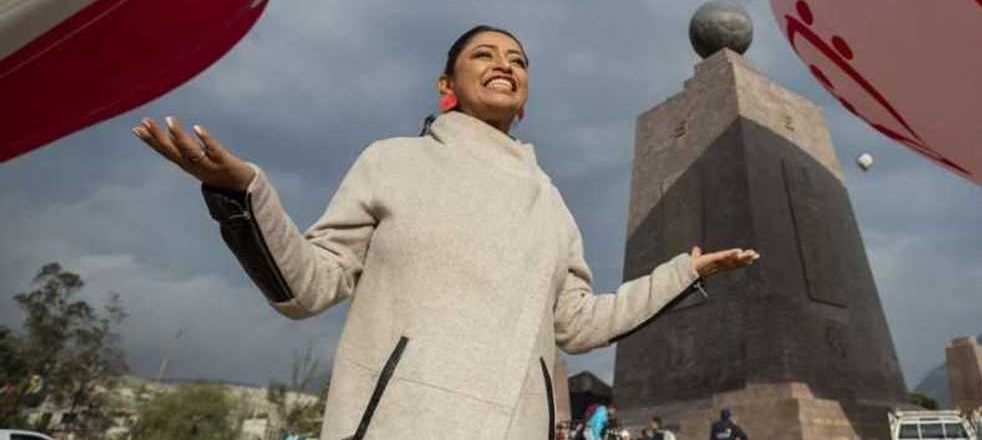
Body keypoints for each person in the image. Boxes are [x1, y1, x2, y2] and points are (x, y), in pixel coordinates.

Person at [132, 25, 761, 439]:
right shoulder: (391, 160)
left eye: (517, 61)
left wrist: (684, 272)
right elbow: (309, 287)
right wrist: (243, 193)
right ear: (446, 85)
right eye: (483, 55)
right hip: (399, 421)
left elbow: (577, 324)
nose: (504, 65)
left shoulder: (551, 203)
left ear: (525, 100)